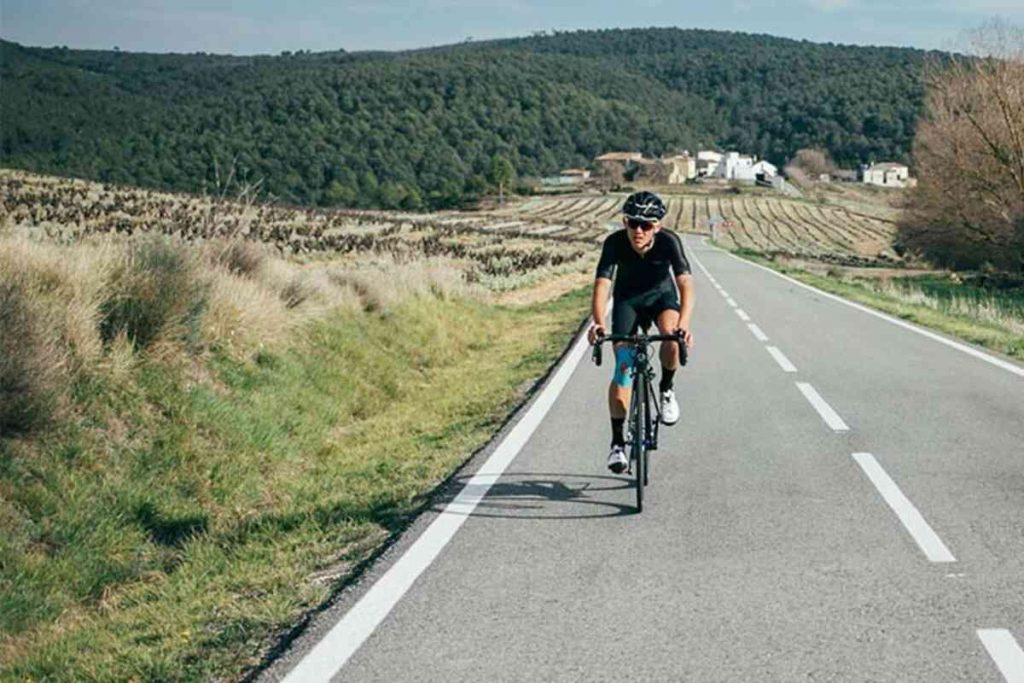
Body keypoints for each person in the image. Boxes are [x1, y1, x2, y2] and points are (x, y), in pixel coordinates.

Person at [587, 191, 695, 474]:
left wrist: (684, 324)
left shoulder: (670, 242)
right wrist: (598, 322)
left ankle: (667, 388)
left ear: (657, 226)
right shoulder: (614, 244)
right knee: (623, 367)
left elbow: (686, 286)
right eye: (633, 223)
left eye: (646, 225)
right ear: (625, 222)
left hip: (661, 297)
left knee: (671, 336)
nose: (638, 230)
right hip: (628, 301)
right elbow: (601, 286)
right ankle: (617, 444)